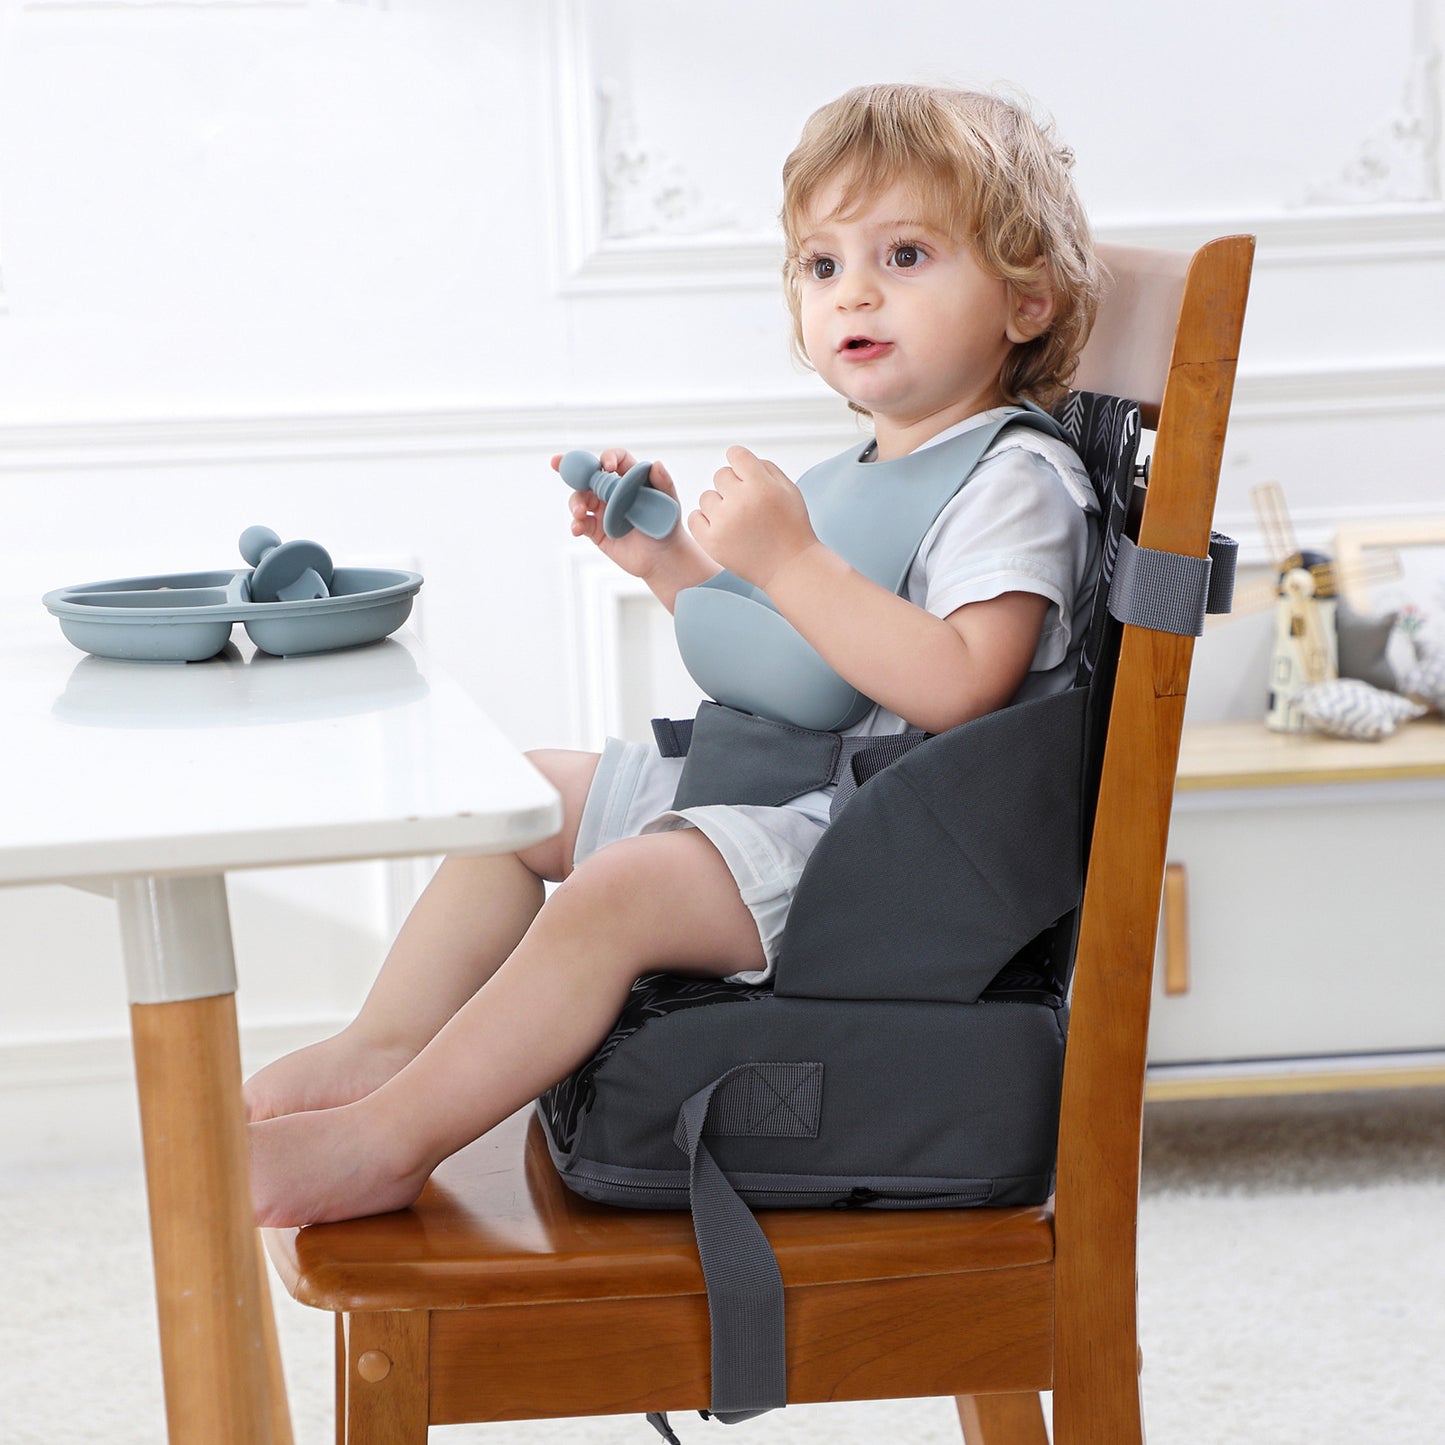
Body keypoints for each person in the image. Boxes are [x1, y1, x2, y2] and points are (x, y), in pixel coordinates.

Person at [247, 82, 1102, 1227]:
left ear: (1025, 299)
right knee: (518, 800)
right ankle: (385, 1046)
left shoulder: (1013, 484)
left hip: (879, 851)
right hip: (791, 782)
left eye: (904, 254)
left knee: (621, 890)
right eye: (820, 264)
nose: (852, 289)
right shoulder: (879, 463)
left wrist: (793, 559)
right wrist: (674, 568)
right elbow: (794, 658)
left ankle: (388, 1140)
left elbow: (956, 684)